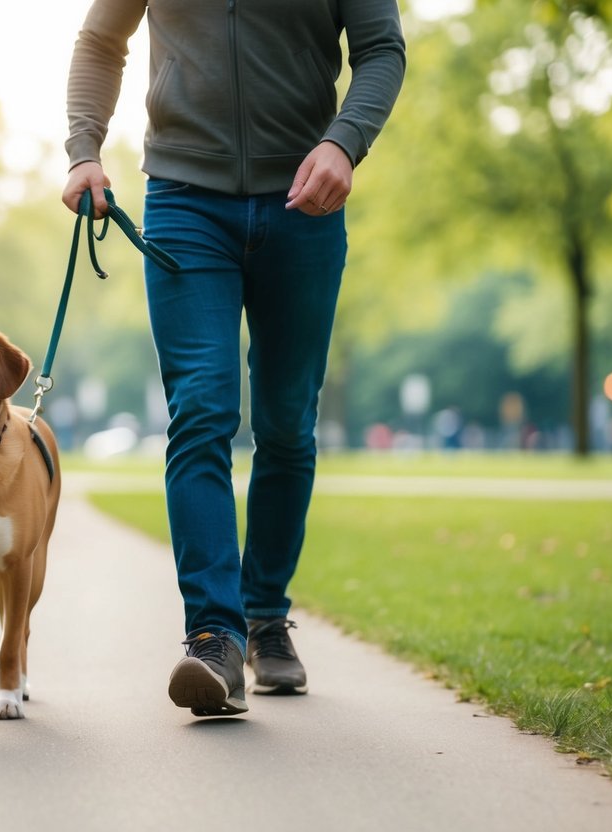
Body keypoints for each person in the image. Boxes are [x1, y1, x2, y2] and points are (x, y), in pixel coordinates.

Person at [63, 0, 405, 715]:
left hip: (305, 202)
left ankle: (264, 618)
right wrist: (84, 149)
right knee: (202, 409)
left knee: (285, 422)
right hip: (185, 203)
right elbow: (101, 39)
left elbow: (381, 49)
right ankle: (213, 637)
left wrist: (344, 142)